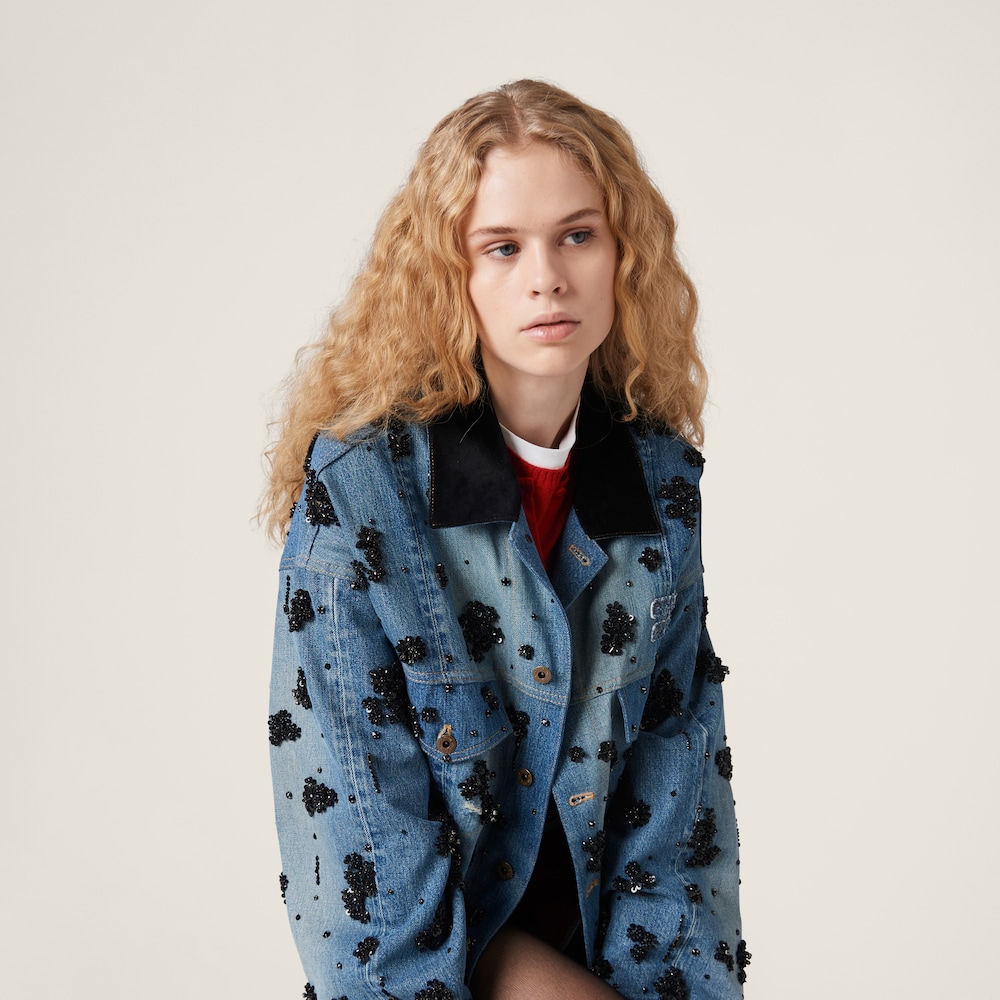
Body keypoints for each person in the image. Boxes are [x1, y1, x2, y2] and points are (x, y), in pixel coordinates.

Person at [262, 79, 748, 1000]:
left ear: (624, 255)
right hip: (442, 958)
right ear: (450, 276)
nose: (547, 277)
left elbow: (681, 799)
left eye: (578, 235)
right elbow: (356, 840)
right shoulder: (361, 493)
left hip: (602, 952)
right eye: (502, 246)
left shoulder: (660, 485)